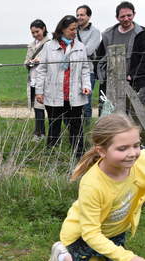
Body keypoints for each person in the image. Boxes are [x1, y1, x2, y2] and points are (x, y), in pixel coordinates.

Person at [46, 113, 145, 261]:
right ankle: (63, 254)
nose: (132, 153)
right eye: (122, 148)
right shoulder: (92, 184)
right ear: (101, 151)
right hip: (83, 237)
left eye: (136, 145)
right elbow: (91, 233)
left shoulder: (139, 162)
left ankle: (62, 256)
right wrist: (127, 257)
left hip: (114, 235)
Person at [35, 15, 91, 158]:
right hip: (54, 93)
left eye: (76, 29)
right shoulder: (49, 46)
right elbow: (41, 70)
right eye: (72, 29)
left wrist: (86, 85)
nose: (75, 32)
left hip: (74, 93)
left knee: (76, 126)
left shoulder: (80, 47)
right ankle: (51, 155)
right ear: (63, 29)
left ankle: (79, 154)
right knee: (54, 125)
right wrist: (39, 92)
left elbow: (85, 68)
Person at [95, 1, 142, 115]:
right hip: (111, 81)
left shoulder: (142, 34)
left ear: (134, 14)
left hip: (133, 81)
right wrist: (102, 77)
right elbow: (100, 58)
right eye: (122, 16)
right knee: (109, 112)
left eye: (129, 15)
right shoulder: (107, 34)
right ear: (117, 18)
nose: (126, 19)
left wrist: (135, 75)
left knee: (134, 113)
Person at [25, 19, 50, 140]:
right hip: (32, 79)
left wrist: (40, 61)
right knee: (37, 108)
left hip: (45, 80)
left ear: (43, 29)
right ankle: (39, 133)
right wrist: (29, 62)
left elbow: (51, 62)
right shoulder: (31, 45)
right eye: (33, 33)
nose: (35, 34)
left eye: (37, 31)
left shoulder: (50, 44)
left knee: (46, 108)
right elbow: (25, 61)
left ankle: (45, 134)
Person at [76, 5, 101, 126]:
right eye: (77, 15)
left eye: (82, 15)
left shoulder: (95, 32)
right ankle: (75, 127)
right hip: (73, 71)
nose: (79, 17)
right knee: (73, 101)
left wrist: (72, 53)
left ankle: (86, 129)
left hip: (88, 71)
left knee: (86, 102)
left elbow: (88, 51)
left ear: (89, 16)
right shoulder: (73, 30)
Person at [130, 28, 145, 103]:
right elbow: (135, 60)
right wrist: (132, 74)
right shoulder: (140, 36)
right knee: (139, 109)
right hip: (142, 79)